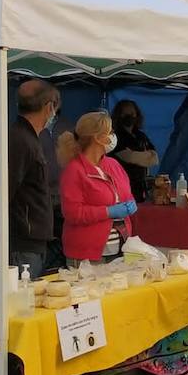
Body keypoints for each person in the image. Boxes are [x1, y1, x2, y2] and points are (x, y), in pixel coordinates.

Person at [0, 80, 60, 276]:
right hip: (19, 242)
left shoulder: (27, 138)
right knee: (17, 302)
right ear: (49, 107)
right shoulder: (19, 140)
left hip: (30, 240)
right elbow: (1, 191)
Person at [58, 112, 136, 265]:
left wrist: (130, 204)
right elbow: (73, 213)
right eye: (110, 132)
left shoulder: (113, 164)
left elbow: (126, 194)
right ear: (97, 137)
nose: (113, 136)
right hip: (88, 255)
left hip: (120, 250)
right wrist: (108, 211)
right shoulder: (74, 170)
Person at [109, 100, 160, 203]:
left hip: (140, 185)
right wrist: (145, 155)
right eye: (125, 114)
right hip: (121, 185)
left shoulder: (141, 136)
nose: (129, 116)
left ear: (137, 115)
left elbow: (154, 158)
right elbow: (128, 157)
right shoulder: (115, 136)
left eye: (132, 114)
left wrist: (137, 156)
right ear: (119, 115)